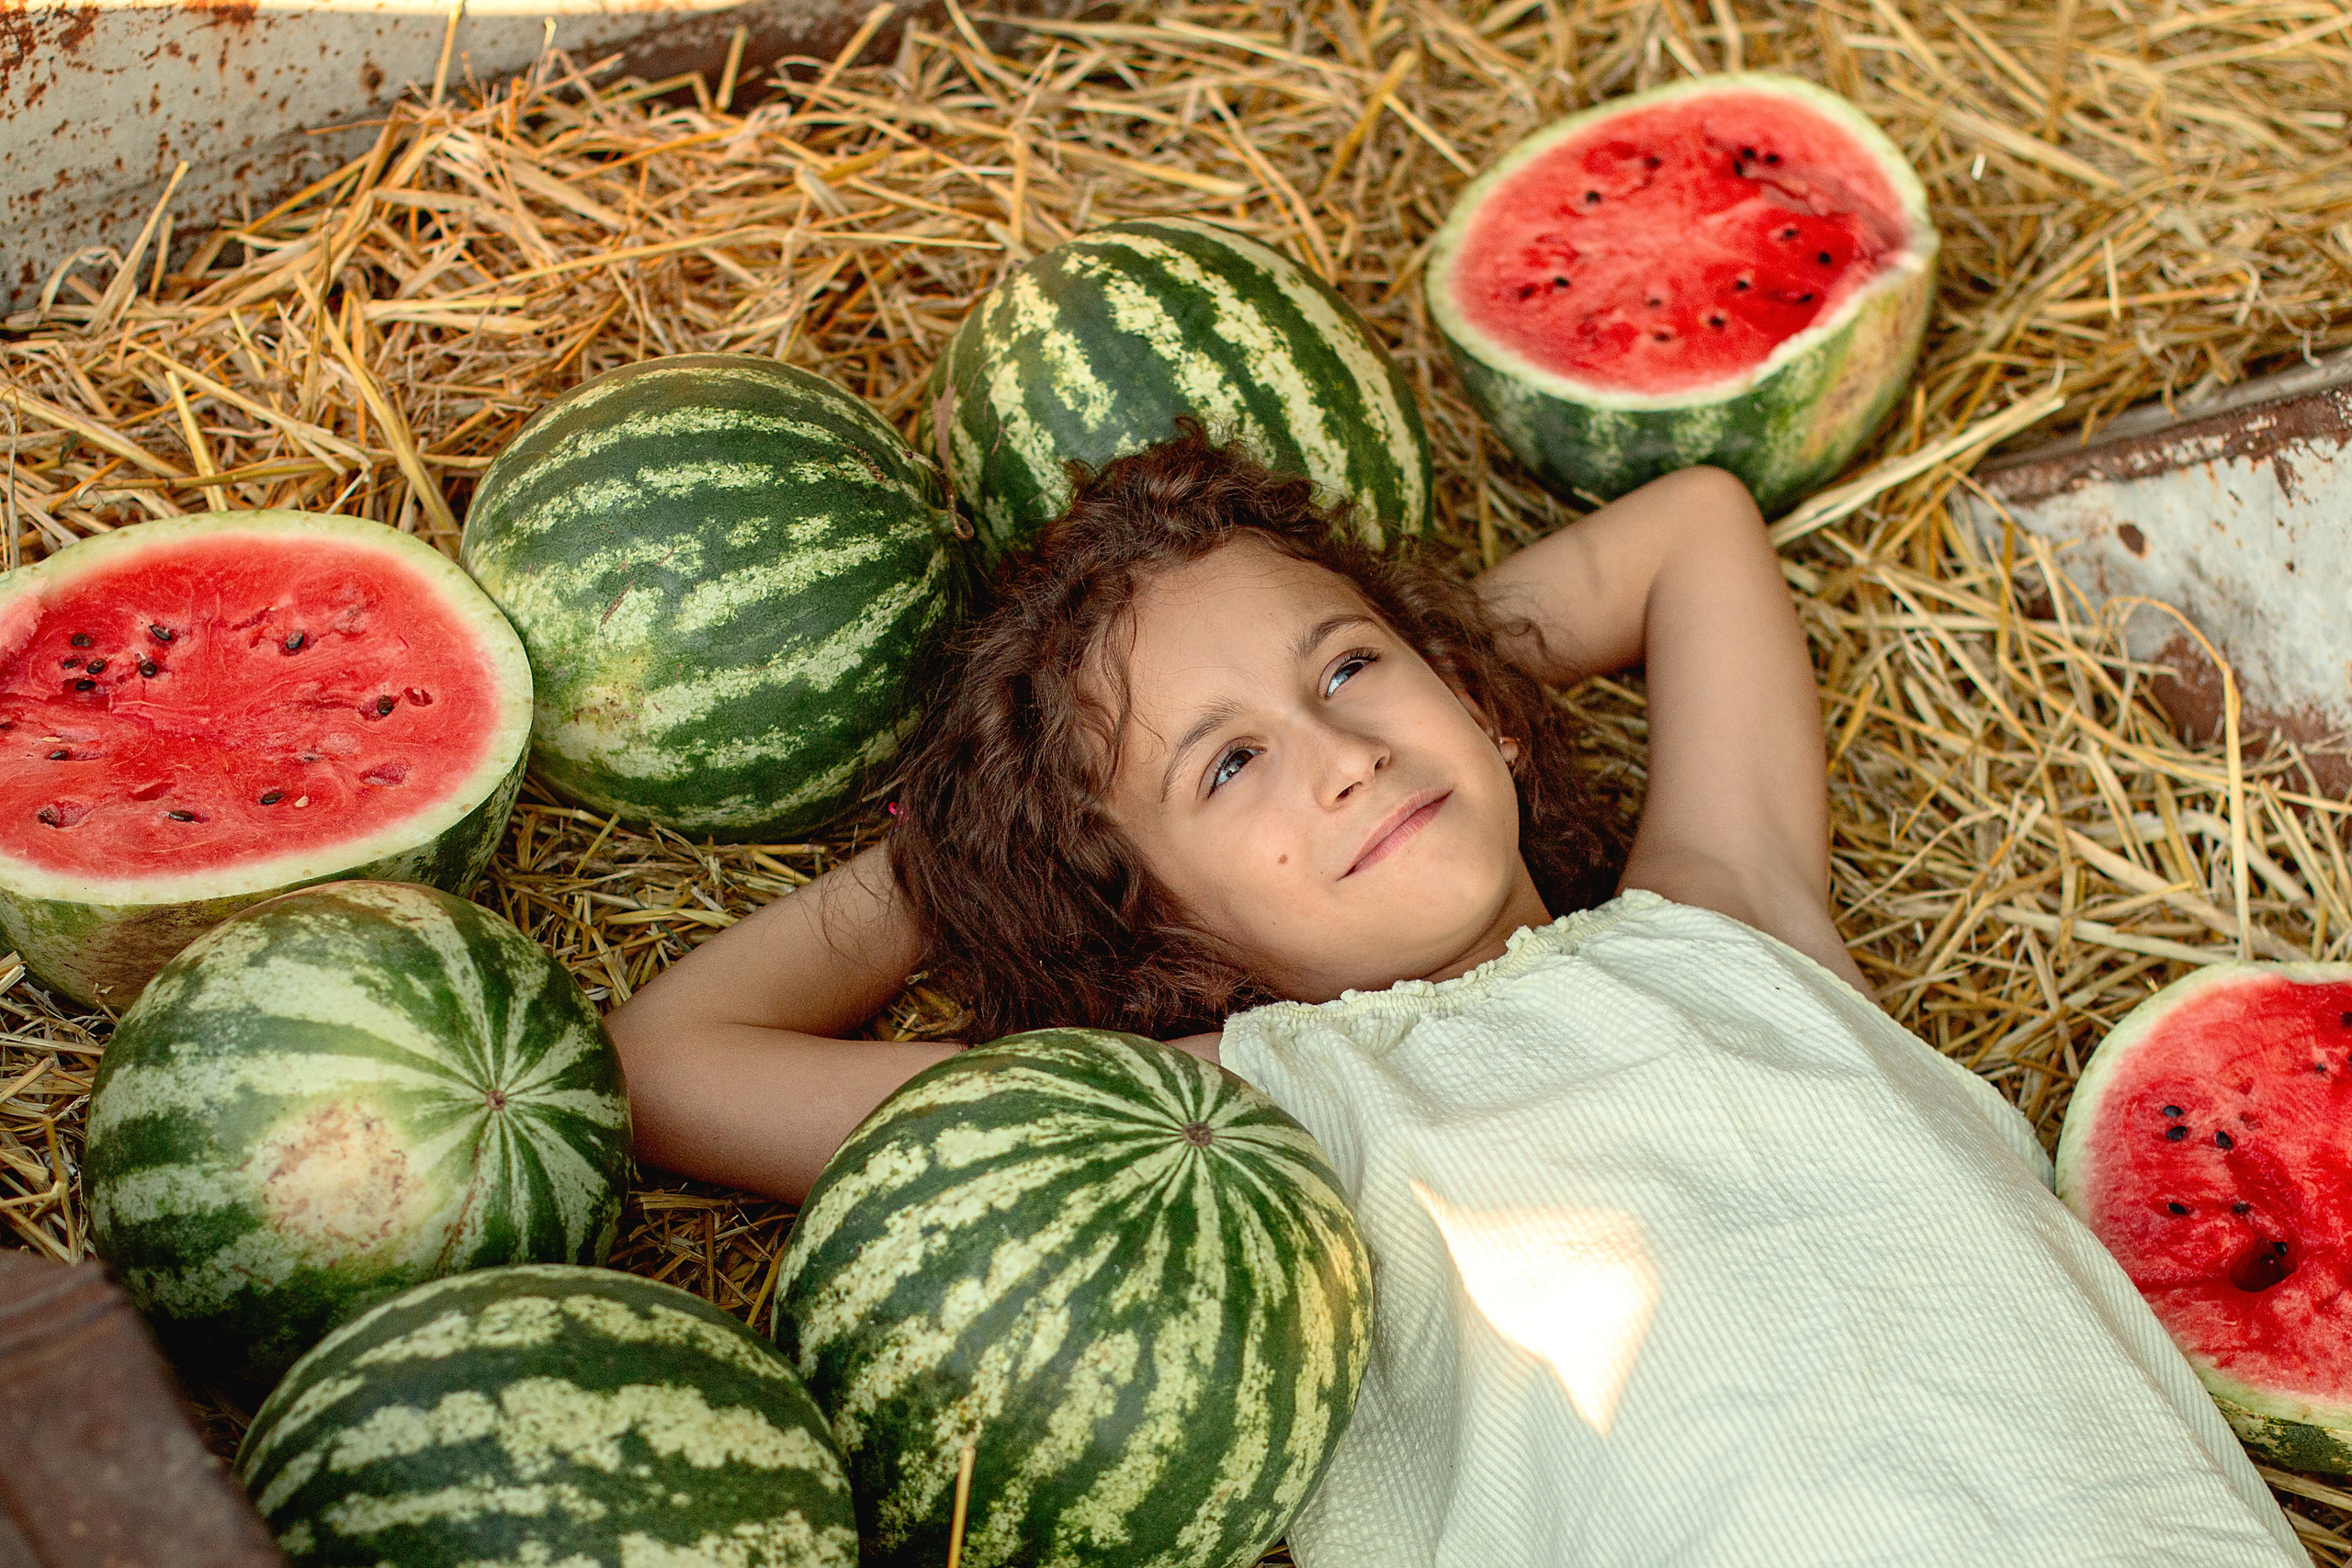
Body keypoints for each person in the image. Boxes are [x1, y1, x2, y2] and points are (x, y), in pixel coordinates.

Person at [608, 431, 2304, 1567]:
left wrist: (1450, 658)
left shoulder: (1723, 918)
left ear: (1482, 711)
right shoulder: (1219, 1123)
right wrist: (979, 865)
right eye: (1230, 768)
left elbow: (1693, 527)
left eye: (1349, 668)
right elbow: (675, 1066)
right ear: (1158, 925)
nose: (1344, 757)